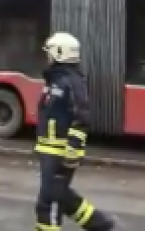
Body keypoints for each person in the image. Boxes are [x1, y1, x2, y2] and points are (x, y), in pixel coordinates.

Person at [34, 32, 116, 231]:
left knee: (49, 201)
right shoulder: (55, 80)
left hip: (61, 152)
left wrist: (72, 150)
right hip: (50, 151)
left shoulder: (71, 82)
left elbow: (82, 118)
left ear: (60, 53)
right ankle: (99, 224)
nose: (47, 57)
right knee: (60, 195)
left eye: (50, 53)